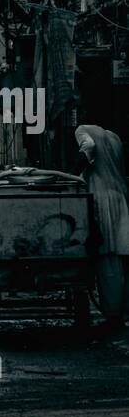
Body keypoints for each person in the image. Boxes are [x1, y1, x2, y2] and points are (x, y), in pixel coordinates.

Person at [75, 123, 129, 328]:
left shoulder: (82, 130)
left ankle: (113, 314)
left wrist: (72, 172)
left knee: (107, 257)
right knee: (123, 257)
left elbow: (88, 147)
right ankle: (124, 311)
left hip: (101, 198)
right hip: (120, 196)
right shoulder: (113, 136)